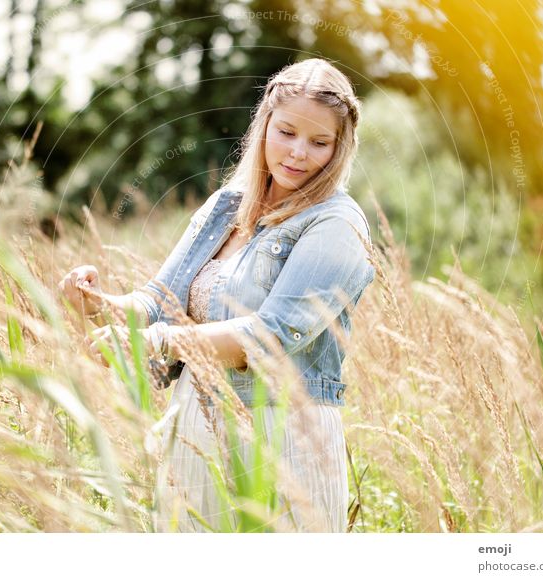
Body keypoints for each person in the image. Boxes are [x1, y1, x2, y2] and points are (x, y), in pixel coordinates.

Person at [59, 58, 375, 532]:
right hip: (195, 427)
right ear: (265, 123)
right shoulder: (226, 205)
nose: (298, 153)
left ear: (339, 146)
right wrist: (97, 301)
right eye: (286, 132)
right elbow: (157, 302)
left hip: (284, 437)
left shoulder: (335, 224)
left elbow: (268, 337)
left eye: (319, 142)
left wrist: (159, 342)